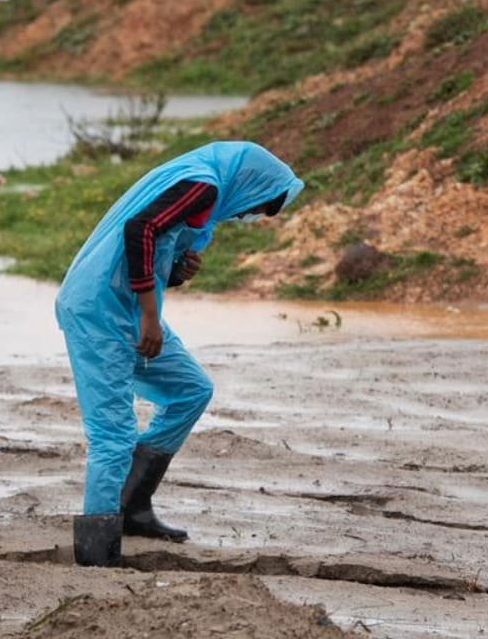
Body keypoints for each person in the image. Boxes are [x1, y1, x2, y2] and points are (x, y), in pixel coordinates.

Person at [55, 141, 304, 567]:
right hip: (100, 311)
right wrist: (151, 317)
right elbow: (141, 230)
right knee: (112, 434)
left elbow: (149, 252)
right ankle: (98, 549)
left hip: (128, 311)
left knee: (191, 391)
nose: (245, 215)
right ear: (251, 185)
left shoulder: (205, 187)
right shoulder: (202, 184)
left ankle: (132, 504)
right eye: (254, 208)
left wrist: (176, 274)